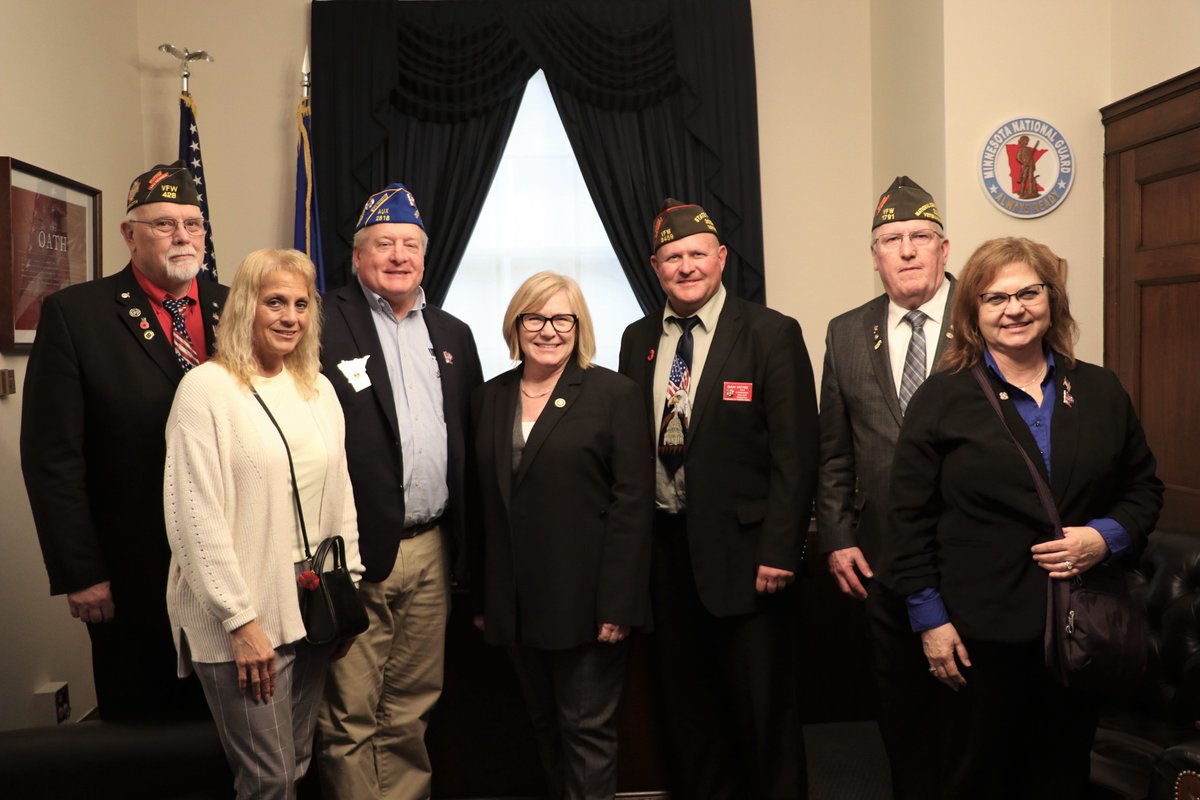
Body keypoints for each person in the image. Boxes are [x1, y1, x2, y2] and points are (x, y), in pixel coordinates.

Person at [887, 236, 1163, 799]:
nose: (1014, 309)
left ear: (1052, 301)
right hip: (976, 636)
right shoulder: (943, 400)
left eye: (1028, 293)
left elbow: (1143, 489)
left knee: (1060, 775)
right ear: (973, 315)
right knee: (976, 778)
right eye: (994, 298)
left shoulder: (1101, 389)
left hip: (1079, 628)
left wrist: (1103, 539)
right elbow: (907, 520)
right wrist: (930, 622)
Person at [618, 198, 819, 799]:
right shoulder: (638, 339)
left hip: (750, 557)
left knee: (762, 713)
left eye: (697, 254)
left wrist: (781, 550)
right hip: (665, 554)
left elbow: (796, 453)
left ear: (722, 258)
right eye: (672, 256)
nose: (686, 266)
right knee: (685, 710)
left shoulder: (771, 333)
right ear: (655, 266)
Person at [21, 160, 226, 720]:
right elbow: (52, 457)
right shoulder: (76, 315)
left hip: (232, 561)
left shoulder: (235, 308)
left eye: (193, 223)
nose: (183, 235)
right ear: (129, 234)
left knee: (234, 724)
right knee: (144, 722)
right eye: (164, 224)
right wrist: (81, 571)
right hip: (135, 569)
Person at [163, 248, 363, 799]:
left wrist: (350, 586)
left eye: (301, 304)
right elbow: (193, 518)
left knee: (296, 763)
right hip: (243, 612)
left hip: (313, 601)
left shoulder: (317, 389)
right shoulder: (206, 390)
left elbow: (340, 491)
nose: (289, 316)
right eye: (275, 302)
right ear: (245, 307)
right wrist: (240, 621)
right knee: (267, 780)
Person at [317, 182, 483, 800]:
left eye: (410, 245)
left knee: (412, 706)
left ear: (425, 255)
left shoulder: (453, 333)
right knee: (351, 716)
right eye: (383, 244)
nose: (398, 256)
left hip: (433, 549)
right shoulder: (321, 320)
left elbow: (469, 435)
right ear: (358, 255)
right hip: (356, 549)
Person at [472, 272, 654, 800]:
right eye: (535, 317)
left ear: (579, 326)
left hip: (588, 604)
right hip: (515, 604)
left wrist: (618, 604)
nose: (548, 330)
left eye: (561, 319)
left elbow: (632, 506)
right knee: (543, 726)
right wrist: (486, 595)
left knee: (586, 732)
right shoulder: (490, 397)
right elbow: (481, 503)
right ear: (516, 323)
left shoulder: (612, 394)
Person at [816, 175, 953, 798]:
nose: (906, 251)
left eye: (920, 237)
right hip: (880, 556)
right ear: (874, 256)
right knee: (900, 710)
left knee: (973, 709)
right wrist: (838, 537)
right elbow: (835, 449)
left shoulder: (986, 321)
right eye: (891, 239)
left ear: (944, 249)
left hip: (972, 549)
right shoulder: (846, 332)